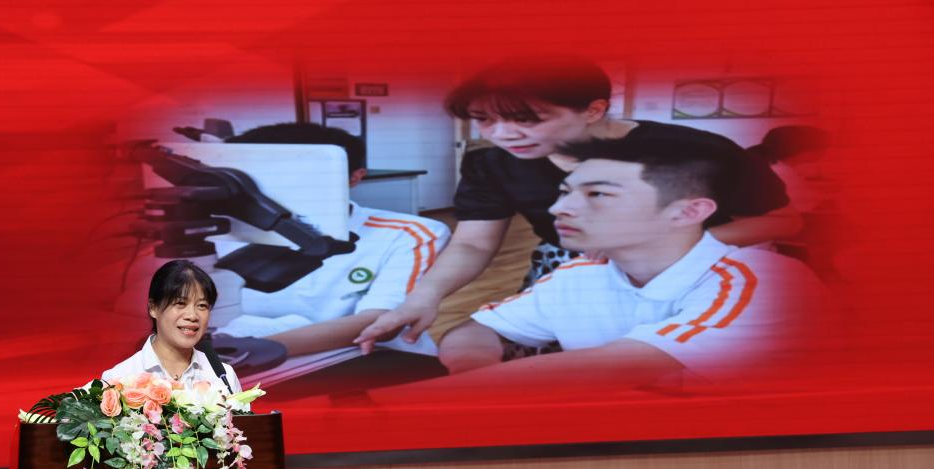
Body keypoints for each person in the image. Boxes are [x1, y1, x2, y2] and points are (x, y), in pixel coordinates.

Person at [355, 56, 800, 354]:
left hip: (696, 266)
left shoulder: (694, 150)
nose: (502, 134)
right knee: (557, 356)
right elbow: (473, 243)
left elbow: (785, 222)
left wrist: (642, 245)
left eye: (526, 118)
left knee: (674, 359)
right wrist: (424, 298)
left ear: (593, 109)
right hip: (573, 266)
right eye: (484, 120)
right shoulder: (492, 163)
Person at [434, 136, 827, 387]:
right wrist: (472, 370)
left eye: (599, 194)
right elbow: (476, 330)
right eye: (565, 192)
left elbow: (620, 366)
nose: (559, 208)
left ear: (688, 212)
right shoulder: (579, 274)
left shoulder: (765, 282)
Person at [214, 122, 451, 357]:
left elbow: (378, 322)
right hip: (240, 353)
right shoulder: (217, 231)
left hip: (365, 358)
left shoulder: (409, 234)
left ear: (354, 177)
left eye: (293, 175)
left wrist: (234, 355)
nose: (271, 189)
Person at [102, 259, 242, 391]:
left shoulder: (224, 378)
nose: (192, 316)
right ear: (153, 308)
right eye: (180, 303)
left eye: (202, 305)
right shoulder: (119, 379)